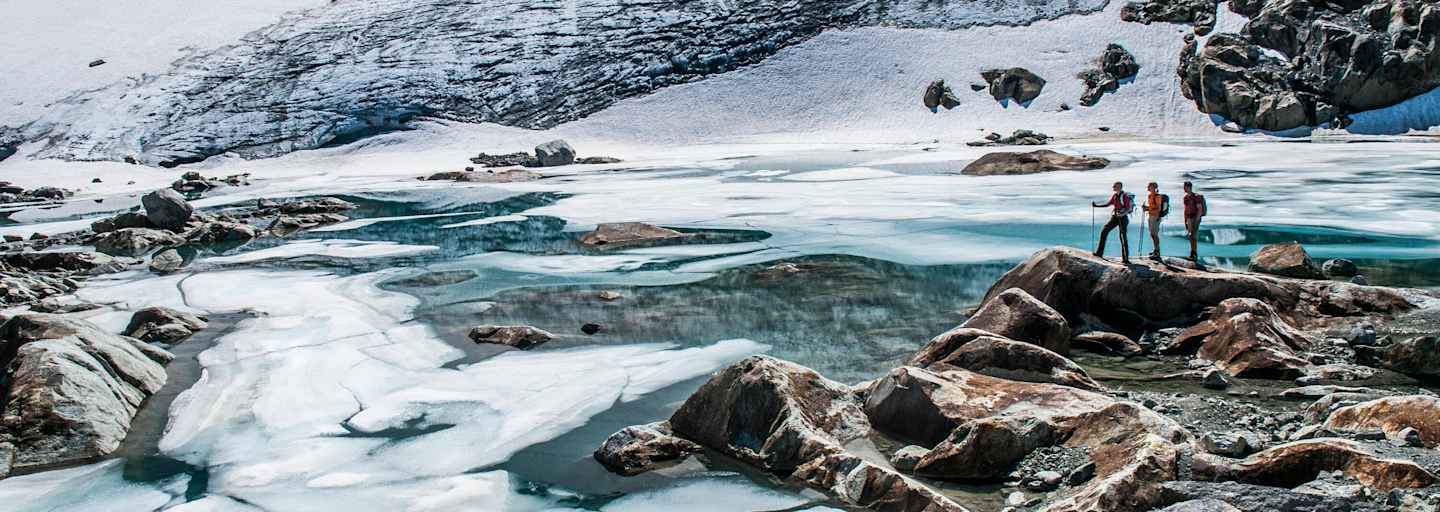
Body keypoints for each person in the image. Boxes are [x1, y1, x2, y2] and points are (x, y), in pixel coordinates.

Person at [1092, 181, 1134, 264]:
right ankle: (1099, 253)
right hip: (1115, 217)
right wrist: (1096, 206)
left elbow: (1128, 208)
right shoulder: (1115, 196)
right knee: (1104, 231)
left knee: (1122, 237)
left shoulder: (1124, 196)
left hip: (1122, 218)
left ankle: (1125, 259)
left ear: (1119, 187)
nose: (1113, 187)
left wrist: (1121, 214)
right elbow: (1108, 204)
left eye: (1114, 186)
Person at [1140, 182, 1169, 260]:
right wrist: (1146, 208)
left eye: (1149, 186)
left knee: (1154, 234)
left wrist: (1147, 208)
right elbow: (1152, 206)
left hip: (1156, 217)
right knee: (1152, 234)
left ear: (1153, 187)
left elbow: (1158, 209)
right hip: (1151, 216)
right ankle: (1155, 250)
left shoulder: (1158, 197)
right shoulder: (1150, 196)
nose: (1148, 188)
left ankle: (1157, 251)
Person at [1182, 181, 1207, 261]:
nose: (1184, 188)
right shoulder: (1186, 198)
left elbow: (1199, 209)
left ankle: (1194, 254)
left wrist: (1196, 221)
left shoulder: (1196, 197)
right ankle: (1192, 254)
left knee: (1193, 236)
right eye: (1184, 187)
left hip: (1195, 217)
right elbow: (1185, 210)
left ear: (1189, 187)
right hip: (1189, 218)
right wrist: (1185, 220)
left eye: (1185, 187)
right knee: (1190, 236)